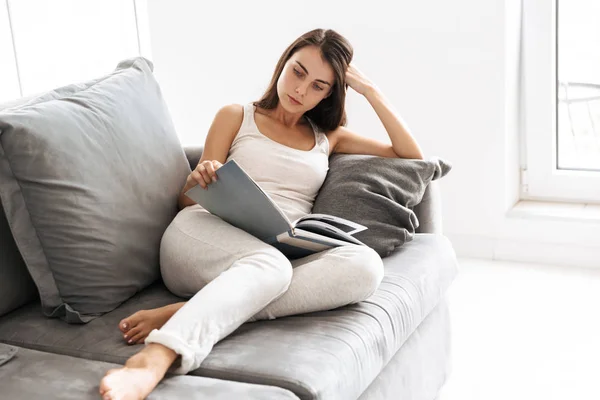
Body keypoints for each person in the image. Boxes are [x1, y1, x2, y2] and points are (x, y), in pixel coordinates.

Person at [99, 28, 423, 400]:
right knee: (270, 267)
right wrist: (198, 181)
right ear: (283, 63)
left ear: (330, 94)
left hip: (276, 255)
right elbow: (188, 202)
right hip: (203, 235)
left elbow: (410, 154)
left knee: (366, 265)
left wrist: (370, 91)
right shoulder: (237, 116)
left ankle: (195, 308)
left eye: (319, 86)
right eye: (298, 72)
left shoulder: (328, 137)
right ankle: (157, 356)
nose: (301, 90)